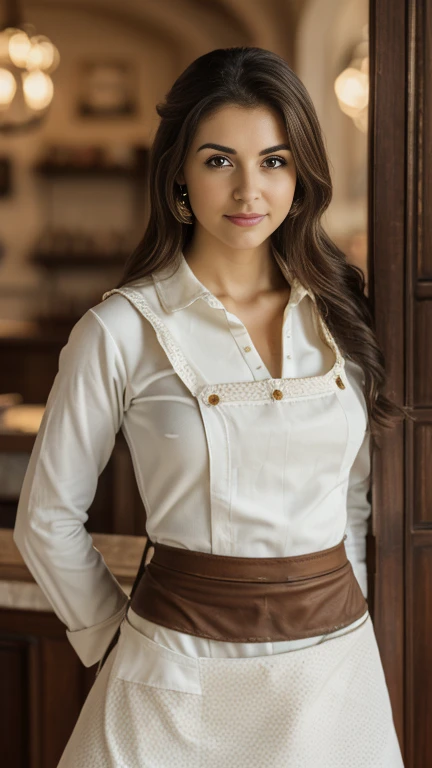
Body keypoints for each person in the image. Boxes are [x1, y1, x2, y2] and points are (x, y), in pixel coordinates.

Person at [13, 47, 410, 767]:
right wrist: (115, 644)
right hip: (170, 680)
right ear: (180, 179)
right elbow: (46, 518)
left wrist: (351, 628)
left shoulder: (341, 316)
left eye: (275, 160)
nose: (249, 190)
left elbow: (350, 499)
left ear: (301, 173)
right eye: (220, 161)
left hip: (332, 679)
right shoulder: (120, 329)